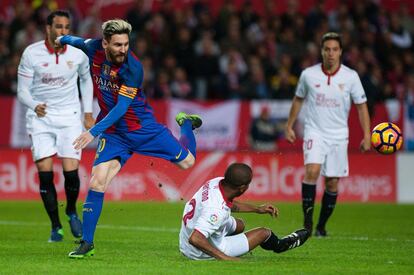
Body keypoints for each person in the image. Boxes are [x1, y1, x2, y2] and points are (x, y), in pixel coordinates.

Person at [55, 19, 202, 258]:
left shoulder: (133, 68)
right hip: (115, 135)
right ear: (104, 43)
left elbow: (121, 108)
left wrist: (92, 131)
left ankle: (186, 123)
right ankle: (87, 243)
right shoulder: (92, 48)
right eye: (117, 45)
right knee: (97, 182)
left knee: (188, 163)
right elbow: (75, 40)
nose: (123, 49)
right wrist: (60, 39)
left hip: (143, 129)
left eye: (126, 44)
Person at [16, 10, 94, 242]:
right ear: (48, 29)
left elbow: (86, 79)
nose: (62, 31)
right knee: (45, 174)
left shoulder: (78, 54)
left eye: (66, 27)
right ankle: (55, 226)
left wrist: (88, 112)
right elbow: (22, 91)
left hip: (70, 117)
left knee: (71, 172)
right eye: (58, 27)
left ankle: (71, 211)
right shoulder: (31, 53)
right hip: (40, 118)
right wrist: (34, 105)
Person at [285, 32, 371, 237]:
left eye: (334, 49)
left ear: (340, 52)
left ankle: (321, 227)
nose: (331, 53)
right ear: (322, 51)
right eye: (327, 49)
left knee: (332, 181)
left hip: (339, 135)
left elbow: (361, 106)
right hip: (314, 131)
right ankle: (307, 223)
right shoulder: (308, 74)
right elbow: (298, 99)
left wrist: (367, 135)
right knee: (312, 171)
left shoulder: (350, 77)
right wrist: (289, 125)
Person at [179, 163, 309, 260]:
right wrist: (226, 258)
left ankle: (235, 245)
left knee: (240, 225)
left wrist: (258, 209)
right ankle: (281, 245)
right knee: (264, 233)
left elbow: (228, 203)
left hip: (186, 238)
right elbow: (196, 239)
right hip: (196, 252)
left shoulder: (216, 182)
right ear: (242, 188)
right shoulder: (216, 211)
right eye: (248, 184)